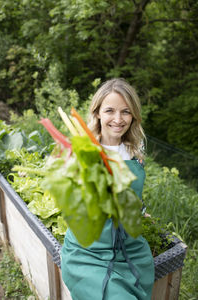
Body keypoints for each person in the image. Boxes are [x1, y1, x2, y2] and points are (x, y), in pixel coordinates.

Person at [61, 78, 154, 300]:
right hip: (89, 253)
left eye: (125, 112)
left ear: (133, 116)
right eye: (110, 110)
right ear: (98, 113)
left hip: (131, 251)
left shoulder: (135, 152)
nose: (118, 119)